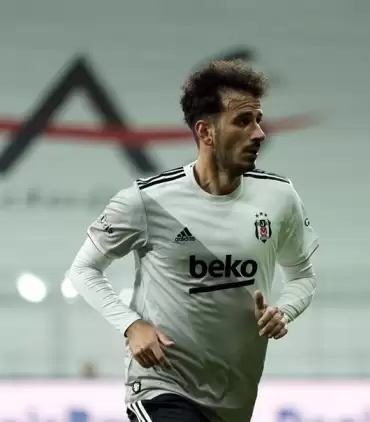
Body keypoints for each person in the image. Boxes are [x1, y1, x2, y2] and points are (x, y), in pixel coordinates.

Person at [68, 59, 319, 422]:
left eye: (258, 119)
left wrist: (283, 310)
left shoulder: (280, 197)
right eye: (243, 121)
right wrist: (132, 325)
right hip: (162, 386)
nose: (259, 133)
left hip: (234, 399)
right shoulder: (147, 201)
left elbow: (302, 277)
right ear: (206, 132)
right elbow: (83, 270)